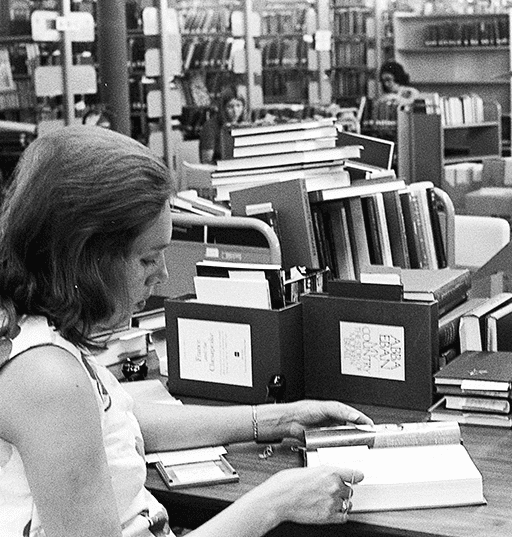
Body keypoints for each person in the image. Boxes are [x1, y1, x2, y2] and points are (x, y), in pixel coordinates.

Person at [0, 126, 372, 537]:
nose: (161, 275)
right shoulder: (46, 377)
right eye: (146, 259)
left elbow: (122, 424)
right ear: (84, 258)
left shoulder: (40, 337)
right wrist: (276, 500)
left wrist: (277, 419)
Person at [199, 88, 247, 163]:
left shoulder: (245, 124)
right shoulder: (210, 126)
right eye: (230, 107)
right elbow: (206, 161)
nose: (235, 111)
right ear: (223, 108)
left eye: (238, 105)